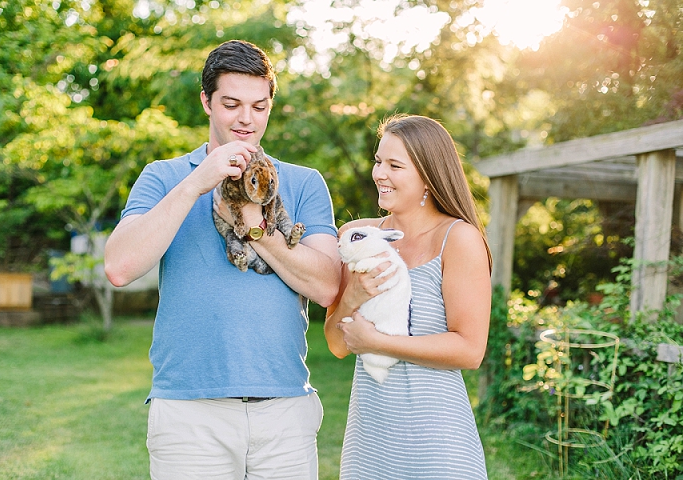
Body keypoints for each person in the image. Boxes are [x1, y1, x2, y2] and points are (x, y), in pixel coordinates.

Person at [105, 39, 340, 480]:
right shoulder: (165, 177)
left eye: (259, 105)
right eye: (231, 103)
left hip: (285, 411)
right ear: (206, 102)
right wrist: (196, 184)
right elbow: (119, 267)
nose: (246, 119)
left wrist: (254, 224)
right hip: (189, 413)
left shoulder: (304, 182)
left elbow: (327, 286)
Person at [324, 114, 492, 479]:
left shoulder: (458, 239)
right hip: (370, 439)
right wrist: (351, 297)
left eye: (394, 165)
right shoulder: (356, 236)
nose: (379, 173)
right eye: (378, 161)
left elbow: (469, 350)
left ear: (428, 176)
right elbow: (337, 344)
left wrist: (379, 342)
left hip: (438, 443)